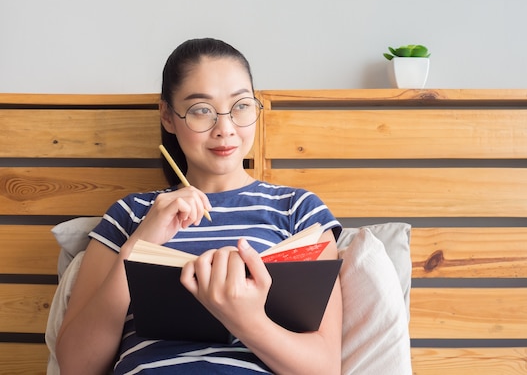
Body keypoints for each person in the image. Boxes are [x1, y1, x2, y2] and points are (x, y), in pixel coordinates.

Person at [55, 38, 343, 374]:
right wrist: (140, 244)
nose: (225, 129)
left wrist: (243, 319)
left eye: (241, 106)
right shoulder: (130, 214)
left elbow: (324, 368)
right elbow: (75, 365)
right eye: (201, 110)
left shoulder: (299, 211)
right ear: (168, 116)